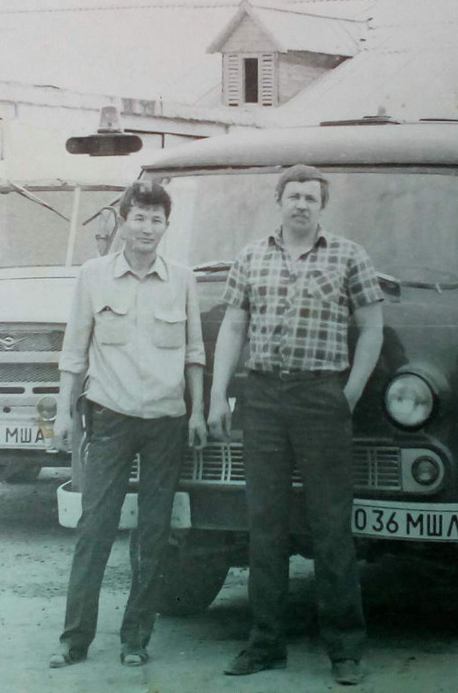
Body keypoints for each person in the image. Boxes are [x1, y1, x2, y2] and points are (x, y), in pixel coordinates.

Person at [207, 164, 384, 687]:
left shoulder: (349, 255)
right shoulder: (251, 257)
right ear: (279, 201)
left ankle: (345, 649)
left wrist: (349, 393)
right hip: (262, 398)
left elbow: (372, 328)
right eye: (293, 196)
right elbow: (233, 327)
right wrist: (218, 394)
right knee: (264, 524)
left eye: (310, 197)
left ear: (321, 205)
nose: (301, 204)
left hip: (321, 397)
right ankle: (265, 644)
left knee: (330, 525)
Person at [49, 180, 206, 669]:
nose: (147, 228)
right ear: (122, 221)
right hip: (110, 418)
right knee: (95, 527)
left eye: (156, 219)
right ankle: (74, 639)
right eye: (139, 217)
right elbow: (74, 353)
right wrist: (62, 412)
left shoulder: (182, 279)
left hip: (165, 422)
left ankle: (136, 639)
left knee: (154, 534)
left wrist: (199, 411)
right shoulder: (93, 275)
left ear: (166, 226)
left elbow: (194, 354)